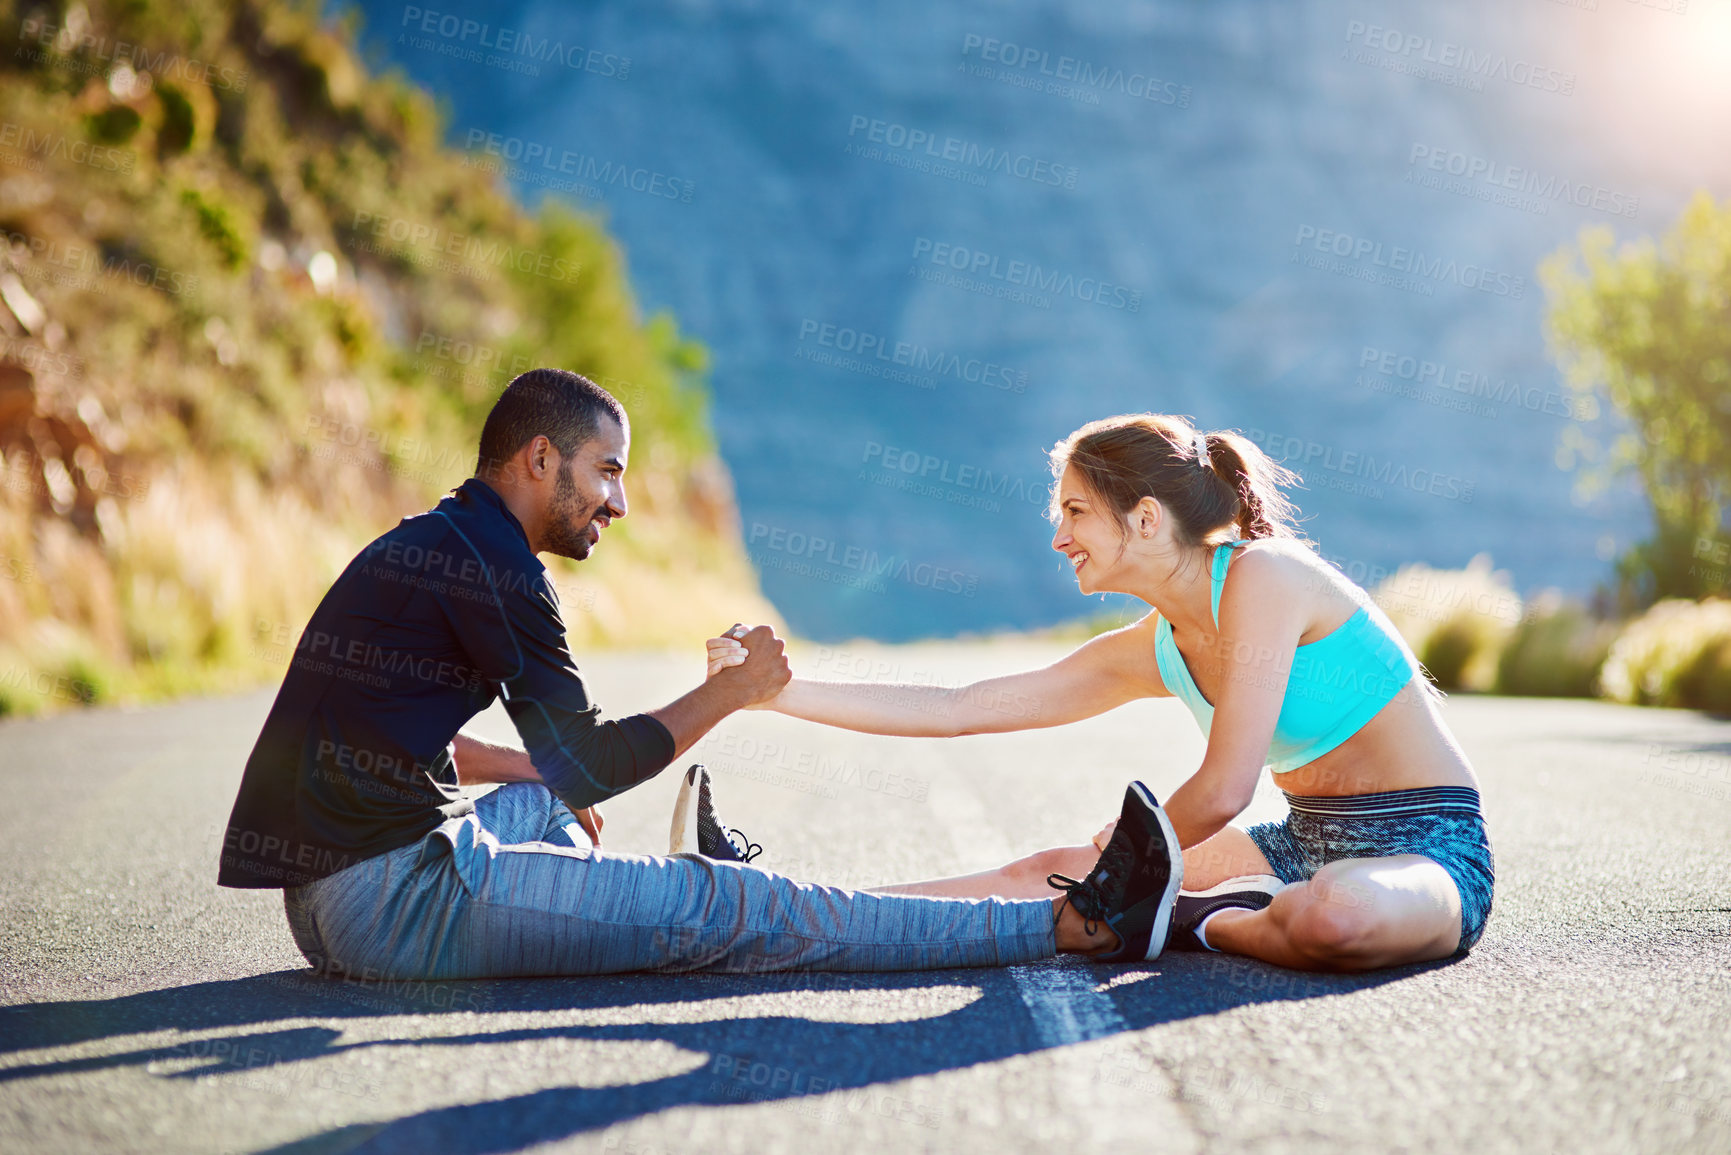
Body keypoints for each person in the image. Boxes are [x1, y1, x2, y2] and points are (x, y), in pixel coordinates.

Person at [216, 369, 1173, 980]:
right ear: (539, 456)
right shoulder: (496, 567)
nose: (619, 502)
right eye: (606, 471)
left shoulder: (441, 538)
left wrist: (528, 776)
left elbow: (422, 738)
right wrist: (732, 691)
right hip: (395, 906)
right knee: (736, 910)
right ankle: (1064, 926)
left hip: (326, 904)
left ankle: (643, 906)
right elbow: (588, 761)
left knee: (551, 811)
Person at [707, 413, 1494, 971]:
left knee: (1336, 916)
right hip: (1297, 842)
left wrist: (1117, 873)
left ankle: (1200, 916)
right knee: (1044, 873)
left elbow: (1224, 788)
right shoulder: (1154, 648)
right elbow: (962, 708)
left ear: (1145, 519)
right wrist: (773, 691)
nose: (1058, 537)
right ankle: (787, 913)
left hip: (1426, 847)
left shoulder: (1266, 575)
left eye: (1075, 511)